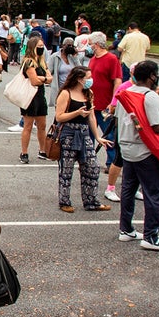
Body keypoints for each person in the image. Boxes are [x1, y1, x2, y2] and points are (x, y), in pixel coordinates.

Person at [117, 61, 159, 251]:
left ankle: (126, 229)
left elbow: (118, 121)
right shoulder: (150, 96)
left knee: (128, 190)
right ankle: (151, 235)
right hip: (146, 151)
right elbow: (157, 127)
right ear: (152, 76)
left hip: (127, 148)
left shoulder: (125, 94)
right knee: (154, 192)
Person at [54, 67, 113, 212]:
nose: (90, 80)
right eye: (88, 77)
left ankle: (91, 201)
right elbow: (59, 117)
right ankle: (64, 201)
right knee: (66, 170)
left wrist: (98, 136)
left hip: (84, 133)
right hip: (68, 134)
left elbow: (91, 116)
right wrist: (77, 112)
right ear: (79, 79)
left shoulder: (88, 93)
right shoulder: (66, 93)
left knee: (92, 168)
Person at [87, 32, 123, 201]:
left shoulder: (111, 59)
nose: (89, 46)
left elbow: (117, 81)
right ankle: (89, 160)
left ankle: (111, 163)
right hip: (92, 103)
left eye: (90, 43)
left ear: (97, 44)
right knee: (89, 135)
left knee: (108, 136)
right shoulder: (93, 59)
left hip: (105, 105)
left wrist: (113, 102)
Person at [16, 41, 53, 164]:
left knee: (42, 125)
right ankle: (24, 152)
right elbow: (34, 81)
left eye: (43, 46)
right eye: (39, 47)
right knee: (28, 125)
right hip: (30, 97)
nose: (41, 49)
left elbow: (49, 78)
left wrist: (43, 78)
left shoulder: (42, 62)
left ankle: (42, 150)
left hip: (40, 96)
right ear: (33, 47)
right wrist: (44, 79)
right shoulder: (28, 62)